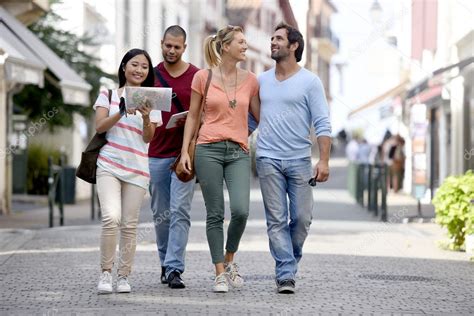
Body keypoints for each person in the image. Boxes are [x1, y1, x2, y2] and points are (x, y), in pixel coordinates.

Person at [179, 25, 260, 293]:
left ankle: (229, 260)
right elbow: (192, 115)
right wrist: (183, 153)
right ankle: (219, 274)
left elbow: (260, 117)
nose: (245, 46)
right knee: (215, 214)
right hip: (207, 149)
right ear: (225, 46)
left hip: (238, 151)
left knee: (241, 211)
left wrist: (242, 131)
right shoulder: (203, 77)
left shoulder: (251, 80)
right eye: (241, 41)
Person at [255, 22, 331, 294]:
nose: (272, 42)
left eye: (278, 38)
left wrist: (323, 160)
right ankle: (286, 273)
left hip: (300, 160)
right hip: (267, 159)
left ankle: (289, 259)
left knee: (301, 219)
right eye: (272, 38)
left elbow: (322, 122)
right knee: (276, 220)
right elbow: (253, 119)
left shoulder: (310, 81)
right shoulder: (261, 80)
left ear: (294, 45)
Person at [94, 48, 160, 294]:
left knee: (130, 225)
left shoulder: (151, 100)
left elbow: (148, 138)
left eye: (144, 66)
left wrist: (145, 117)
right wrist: (120, 111)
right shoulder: (107, 94)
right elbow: (100, 127)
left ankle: (123, 276)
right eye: (134, 64)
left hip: (137, 169)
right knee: (112, 218)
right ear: (124, 67)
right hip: (109, 165)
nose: (139, 70)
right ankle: (105, 272)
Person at [148, 25, 200, 289]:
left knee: (180, 211)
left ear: (184, 48)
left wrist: (190, 125)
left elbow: (204, 111)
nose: (171, 50)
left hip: (185, 155)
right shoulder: (152, 75)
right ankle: (165, 262)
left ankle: (174, 269)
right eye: (168, 45)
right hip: (156, 152)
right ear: (162, 43)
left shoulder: (197, 76)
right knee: (161, 213)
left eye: (176, 47)